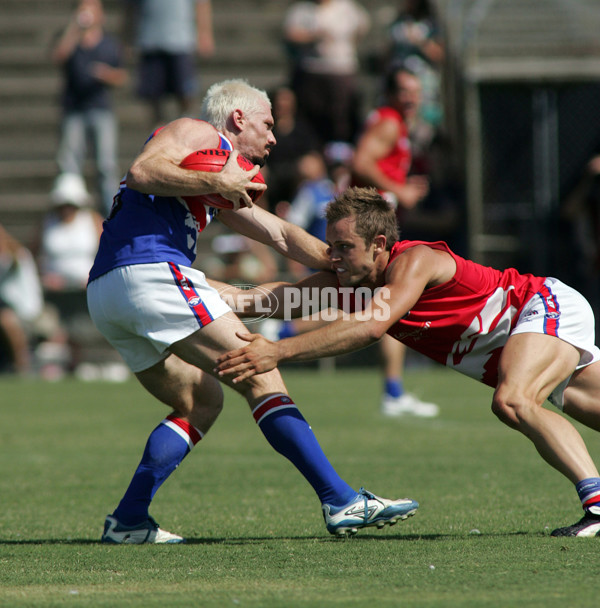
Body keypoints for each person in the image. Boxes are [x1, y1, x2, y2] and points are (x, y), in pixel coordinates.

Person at [86, 79, 418, 543]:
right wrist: (218, 179)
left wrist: (340, 264)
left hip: (107, 292)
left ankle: (128, 520)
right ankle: (341, 500)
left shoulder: (213, 178)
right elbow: (142, 171)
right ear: (238, 119)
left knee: (201, 400)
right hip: (149, 272)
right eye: (267, 124)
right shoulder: (198, 133)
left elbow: (280, 235)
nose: (274, 137)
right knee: (262, 370)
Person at [215, 186, 600, 538]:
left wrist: (278, 351)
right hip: (518, 342)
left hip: (540, 307)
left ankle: (596, 508)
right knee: (581, 405)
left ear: (379, 244)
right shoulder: (345, 285)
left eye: (344, 247)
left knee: (514, 401)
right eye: (331, 245)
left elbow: (370, 327)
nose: (332, 257)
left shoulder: (414, 261)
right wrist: (176, 282)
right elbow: (256, 301)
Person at [351, 65, 438, 418]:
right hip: (368, 227)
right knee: (375, 305)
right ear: (390, 93)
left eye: (416, 91)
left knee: (383, 306)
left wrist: (400, 188)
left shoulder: (397, 124)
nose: (412, 97)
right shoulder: (389, 122)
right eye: (405, 90)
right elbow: (360, 161)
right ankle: (279, 329)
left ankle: (394, 392)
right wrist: (400, 189)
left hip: (375, 224)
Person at [51, 0, 128, 216]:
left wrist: (106, 75)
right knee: (69, 162)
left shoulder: (109, 43)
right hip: (73, 109)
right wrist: (74, 30)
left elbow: (122, 75)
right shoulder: (70, 38)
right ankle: (69, 210)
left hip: (101, 109)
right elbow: (58, 56)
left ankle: (110, 212)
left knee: (106, 165)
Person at [283, 0, 370, 146]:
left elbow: (362, 27)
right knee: (310, 116)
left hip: (341, 70)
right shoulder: (302, 9)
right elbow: (290, 34)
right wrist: (313, 36)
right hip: (311, 70)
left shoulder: (347, 7)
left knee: (341, 116)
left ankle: (339, 150)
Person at [123, 0, 215, 127]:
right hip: (149, 41)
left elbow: (202, 3)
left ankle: (187, 127)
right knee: (153, 96)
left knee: (185, 93)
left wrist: (204, 33)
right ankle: (158, 132)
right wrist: (127, 38)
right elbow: (129, 7)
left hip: (181, 42)